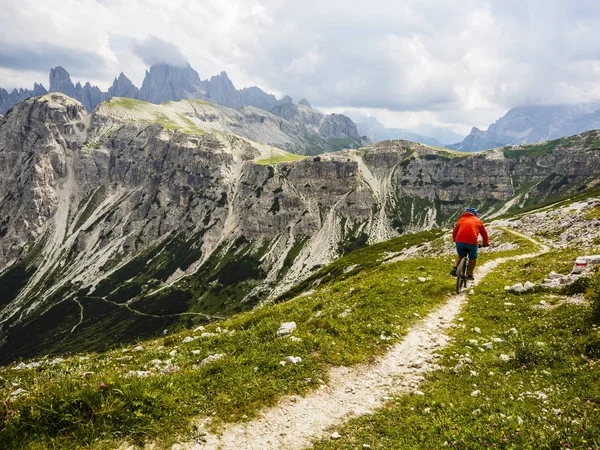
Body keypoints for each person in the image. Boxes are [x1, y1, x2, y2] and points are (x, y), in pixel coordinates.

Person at [450, 207, 489, 280]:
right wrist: (485, 243)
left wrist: (454, 239)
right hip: (472, 242)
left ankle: (454, 268)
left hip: (459, 241)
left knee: (460, 254)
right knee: (473, 257)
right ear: (475, 214)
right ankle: (470, 274)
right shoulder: (478, 221)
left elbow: (455, 231)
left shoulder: (461, 220)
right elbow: (484, 234)